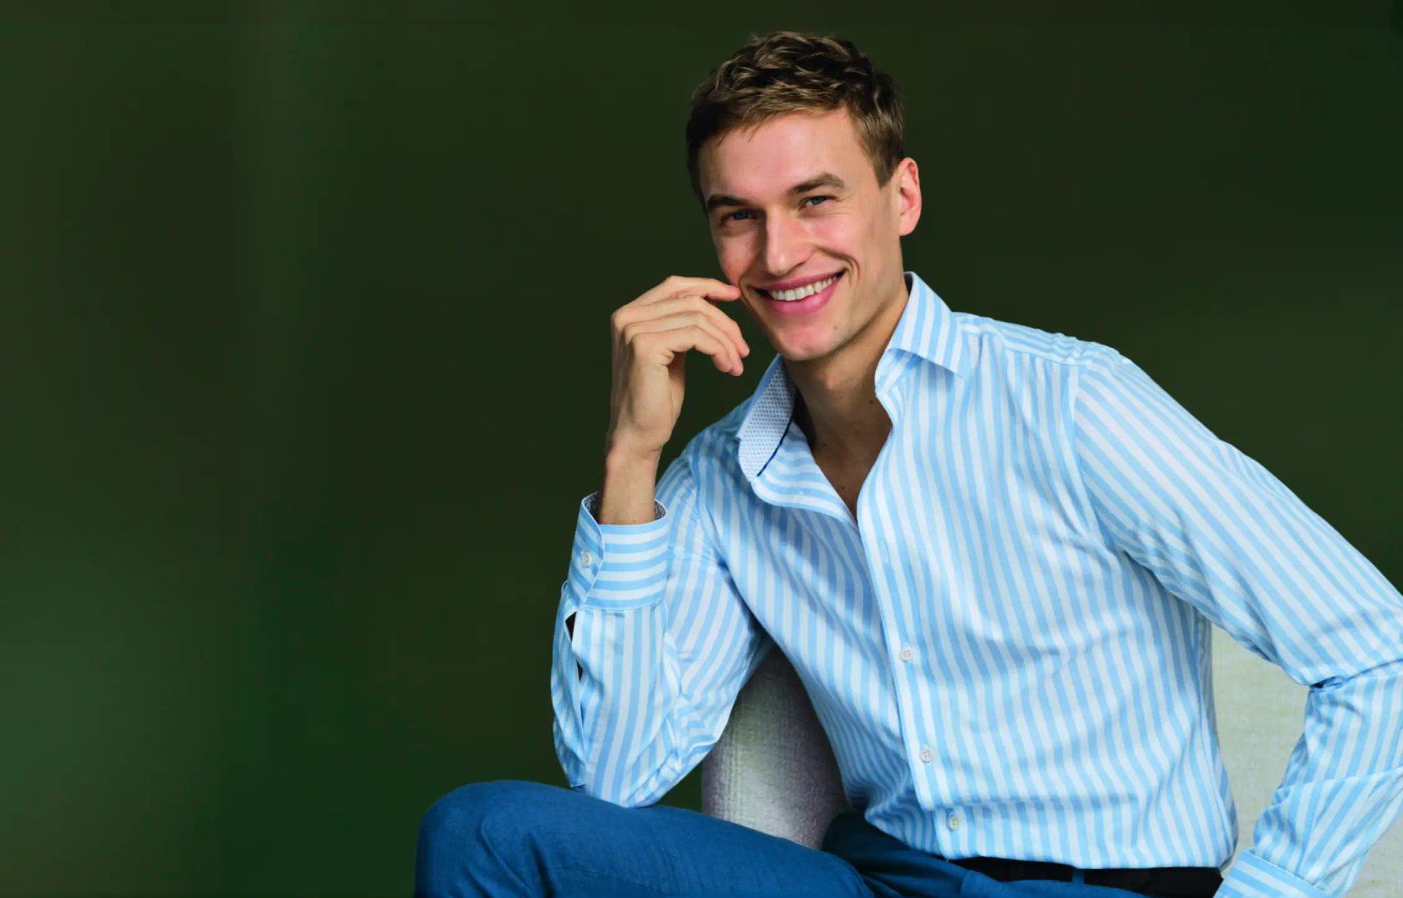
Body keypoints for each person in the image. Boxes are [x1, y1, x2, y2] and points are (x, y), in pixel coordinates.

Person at [414, 29, 1403, 898]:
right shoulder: (720, 479)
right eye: (738, 216)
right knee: (484, 833)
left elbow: (1377, 654)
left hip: (1101, 886)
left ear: (902, 198)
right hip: (881, 877)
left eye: (815, 200)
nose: (778, 253)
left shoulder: (1071, 403)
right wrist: (632, 456)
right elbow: (613, 776)